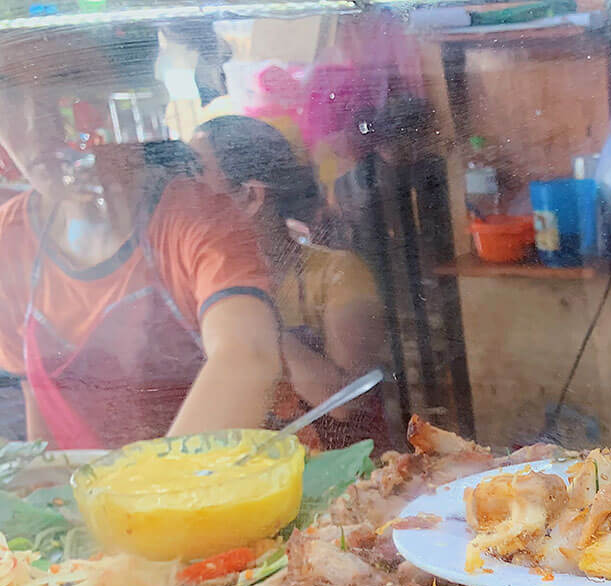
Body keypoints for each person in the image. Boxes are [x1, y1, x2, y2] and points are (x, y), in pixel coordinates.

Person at [0, 29, 282, 449]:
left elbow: (248, 357)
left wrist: (144, 499)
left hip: (208, 497)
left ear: (133, 100)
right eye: (9, 93)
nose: (34, 124)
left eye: (69, 82)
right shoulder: (9, 240)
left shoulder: (194, 220)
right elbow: (42, 426)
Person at [192, 115, 389, 449]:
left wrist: (249, 323)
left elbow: (344, 403)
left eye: (198, 188)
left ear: (252, 197)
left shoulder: (338, 274)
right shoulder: (200, 287)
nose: (187, 209)